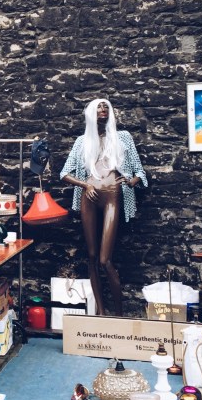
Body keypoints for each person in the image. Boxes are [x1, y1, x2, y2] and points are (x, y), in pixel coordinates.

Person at [60, 98, 147, 317]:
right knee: (90, 256)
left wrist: (130, 181)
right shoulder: (82, 141)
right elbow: (64, 173)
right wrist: (84, 184)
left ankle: (118, 314)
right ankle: (100, 310)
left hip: (113, 195)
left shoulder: (122, 138)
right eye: (98, 107)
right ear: (90, 113)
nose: (102, 110)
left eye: (106, 107)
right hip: (89, 195)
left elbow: (140, 172)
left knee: (104, 259)